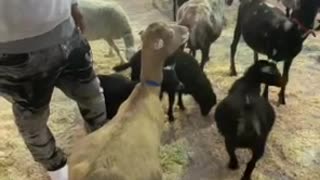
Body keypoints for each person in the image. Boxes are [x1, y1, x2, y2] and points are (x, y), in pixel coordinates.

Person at [0, 0, 107, 179]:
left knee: (94, 98)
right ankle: (59, 173)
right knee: (33, 123)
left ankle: (105, 147)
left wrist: (72, 4)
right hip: (13, 52)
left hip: (68, 32)